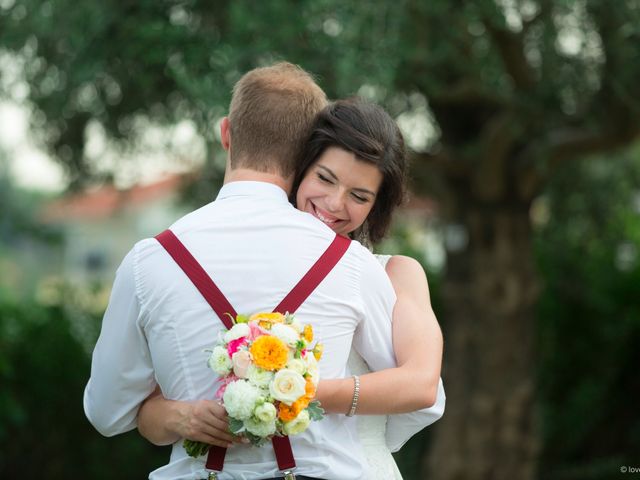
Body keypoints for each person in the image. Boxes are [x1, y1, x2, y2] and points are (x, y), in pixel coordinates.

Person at [84, 62, 443, 480]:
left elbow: (108, 412)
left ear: (225, 133)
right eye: (326, 178)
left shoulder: (150, 260)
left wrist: (302, 394)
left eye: (359, 195)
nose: (334, 203)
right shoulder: (351, 266)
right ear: (304, 155)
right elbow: (421, 408)